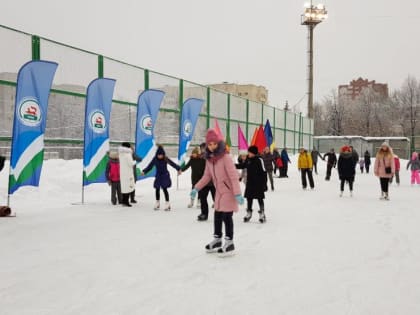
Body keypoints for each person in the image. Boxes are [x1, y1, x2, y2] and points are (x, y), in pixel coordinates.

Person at [191, 128, 244, 255]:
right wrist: (196, 188)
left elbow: (233, 176)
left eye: (214, 143)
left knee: (226, 217)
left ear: (218, 143)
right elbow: (206, 176)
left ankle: (229, 242)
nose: (212, 146)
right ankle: (217, 239)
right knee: (217, 216)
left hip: (229, 191)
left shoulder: (225, 157)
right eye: (210, 144)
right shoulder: (209, 160)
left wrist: (237, 193)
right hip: (219, 192)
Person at [142, 145, 181, 211]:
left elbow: (172, 164)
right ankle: (157, 203)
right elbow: (150, 166)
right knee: (157, 189)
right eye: (159, 155)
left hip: (165, 175)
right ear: (157, 154)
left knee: (164, 189)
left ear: (163, 154)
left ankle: (167, 203)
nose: (160, 156)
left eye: (161, 155)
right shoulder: (155, 159)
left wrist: (179, 169)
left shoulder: (165, 158)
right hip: (158, 176)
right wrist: (144, 171)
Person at [182, 146, 215, 221]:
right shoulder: (202, 159)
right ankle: (204, 214)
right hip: (204, 182)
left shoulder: (210, 160)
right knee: (203, 198)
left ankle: (222, 213)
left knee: (216, 199)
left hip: (213, 183)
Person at [237, 145, 267, 223]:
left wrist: (264, 184)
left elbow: (264, 172)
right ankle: (249, 212)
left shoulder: (259, 160)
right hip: (250, 183)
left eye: (249, 152)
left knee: (260, 198)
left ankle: (262, 213)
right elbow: (242, 166)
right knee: (249, 198)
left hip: (258, 183)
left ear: (253, 153)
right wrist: (233, 165)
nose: (248, 154)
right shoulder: (248, 160)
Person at [118, 142, 136, 207]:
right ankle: (126, 202)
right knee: (128, 188)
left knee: (124, 187)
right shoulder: (128, 154)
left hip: (123, 173)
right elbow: (130, 163)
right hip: (128, 173)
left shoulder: (121, 154)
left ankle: (123, 201)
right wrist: (135, 161)